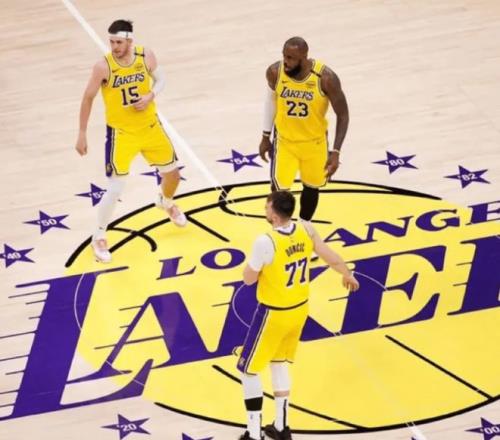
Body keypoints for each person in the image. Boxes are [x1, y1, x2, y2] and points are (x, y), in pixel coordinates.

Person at [237, 190, 359, 440]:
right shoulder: (306, 229)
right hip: (299, 310)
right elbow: (328, 254)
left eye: (266, 206)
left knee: (248, 370)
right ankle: (281, 427)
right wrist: (347, 273)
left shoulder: (266, 242)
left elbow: (248, 279)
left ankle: (254, 433)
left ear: (274, 213)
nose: (264, 210)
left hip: (273, 313)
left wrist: (254, 268)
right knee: (279, 363)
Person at [75, 19, 186, 263]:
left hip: (150, 127)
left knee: (173, 176)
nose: (114, 46)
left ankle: (165, 202)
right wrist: (82, 132)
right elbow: (87, 98)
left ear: (129, 41)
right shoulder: (103, 67)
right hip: (122, 134)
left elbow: (162, 80)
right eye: (111, 42)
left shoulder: (145, 55)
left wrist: (150, 95)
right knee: (115, 188)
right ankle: (99, 236)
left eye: (118, 42)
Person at [259, 37, 349, 222]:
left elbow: (343, 115)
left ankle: (305, 225)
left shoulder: (326, 78)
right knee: (278, 191)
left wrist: (336, 151)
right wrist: (265, 136)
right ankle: (281, 228)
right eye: (284, 56)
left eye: (291, 58)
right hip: (285, 143)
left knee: (312, 187)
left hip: (315, 143)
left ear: (304, 58)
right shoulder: (275, 72)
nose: (286, 61)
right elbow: (270, 102)